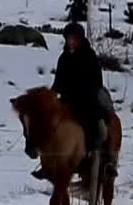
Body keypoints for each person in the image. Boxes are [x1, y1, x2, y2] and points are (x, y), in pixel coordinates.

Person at [31, 21, 118, 181]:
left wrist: (84, 92)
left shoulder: (90, 56)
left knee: (98, 124)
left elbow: (97, 82)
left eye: (74, 38)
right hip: (67, 101)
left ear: (80, 39)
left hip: (87, 101)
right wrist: (50, 96)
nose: (71, 41)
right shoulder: (63, 58)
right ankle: (47, 162)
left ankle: (105, 160)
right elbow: (58, 82)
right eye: (69, 38)